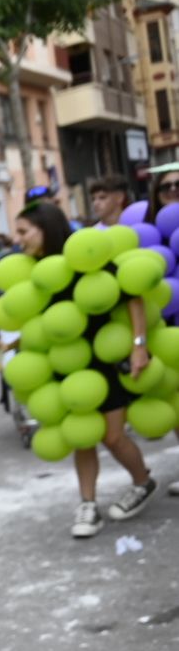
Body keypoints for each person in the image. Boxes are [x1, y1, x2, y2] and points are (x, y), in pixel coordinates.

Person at [13, 202, 160, 536]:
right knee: (82, 436)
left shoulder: (83, 256)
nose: (17, 239)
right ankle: (88, 505)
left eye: (23, 231)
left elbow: (131, 296)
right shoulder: (32, 270)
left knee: (112, 436)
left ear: (46, 228)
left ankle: (143, 481)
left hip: (103, 359)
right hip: (65, 362)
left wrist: (139, 346)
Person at [143, 167, 179, 496]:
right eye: (165, 186)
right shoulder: (149, 231)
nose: (172, 190)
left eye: (178, 185)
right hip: (165, 328)